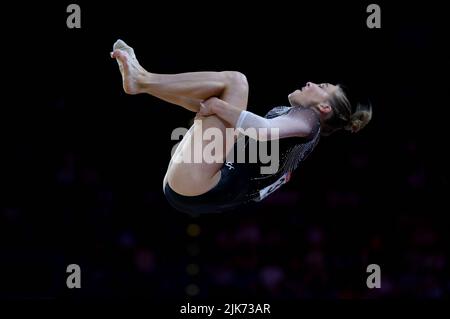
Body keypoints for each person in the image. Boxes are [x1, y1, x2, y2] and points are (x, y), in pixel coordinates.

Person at [111, 39, 372, 215]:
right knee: (216, 102)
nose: (312, 83)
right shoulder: (301, 137)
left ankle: (141, 80)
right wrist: (215, 108)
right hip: (191, 190)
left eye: (322, 87)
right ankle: (141, 81)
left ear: (324, 108)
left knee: (237, 83)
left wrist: (219, 109)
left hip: (201, 184)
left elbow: (263, 129)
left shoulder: (309, 121)